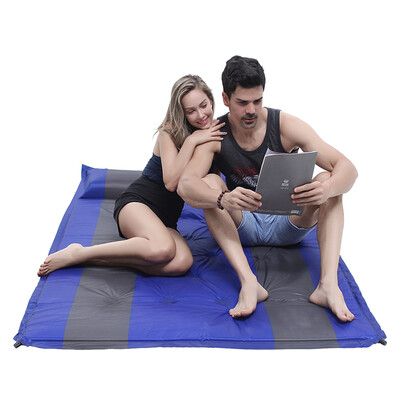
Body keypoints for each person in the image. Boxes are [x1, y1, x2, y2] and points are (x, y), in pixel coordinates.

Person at [178, 56, 358, 322]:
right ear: (226, 99)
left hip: (289, 223)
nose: (251, 110)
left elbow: (348, 169)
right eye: (242, 103)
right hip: (243, 224)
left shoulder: (285, 125)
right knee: (211, 184)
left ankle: (328, 286)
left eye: (257, 101)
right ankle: (249, 282)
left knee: (327, 179)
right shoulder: (217, 133)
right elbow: (185, 185)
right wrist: (223, 198)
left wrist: (328, 189)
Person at [38, 75, 225, 277]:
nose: (201, 115)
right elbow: (171, 182)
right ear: (181, 112)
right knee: (163, 249)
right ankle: (80, 252)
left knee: (181, 263)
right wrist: (191, 141)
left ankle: (93, 259)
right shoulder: (169, 132)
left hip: (166, 219)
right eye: (191, 111)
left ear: (211, 100)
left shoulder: (213, 136)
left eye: (203, 105)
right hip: (138, 204)